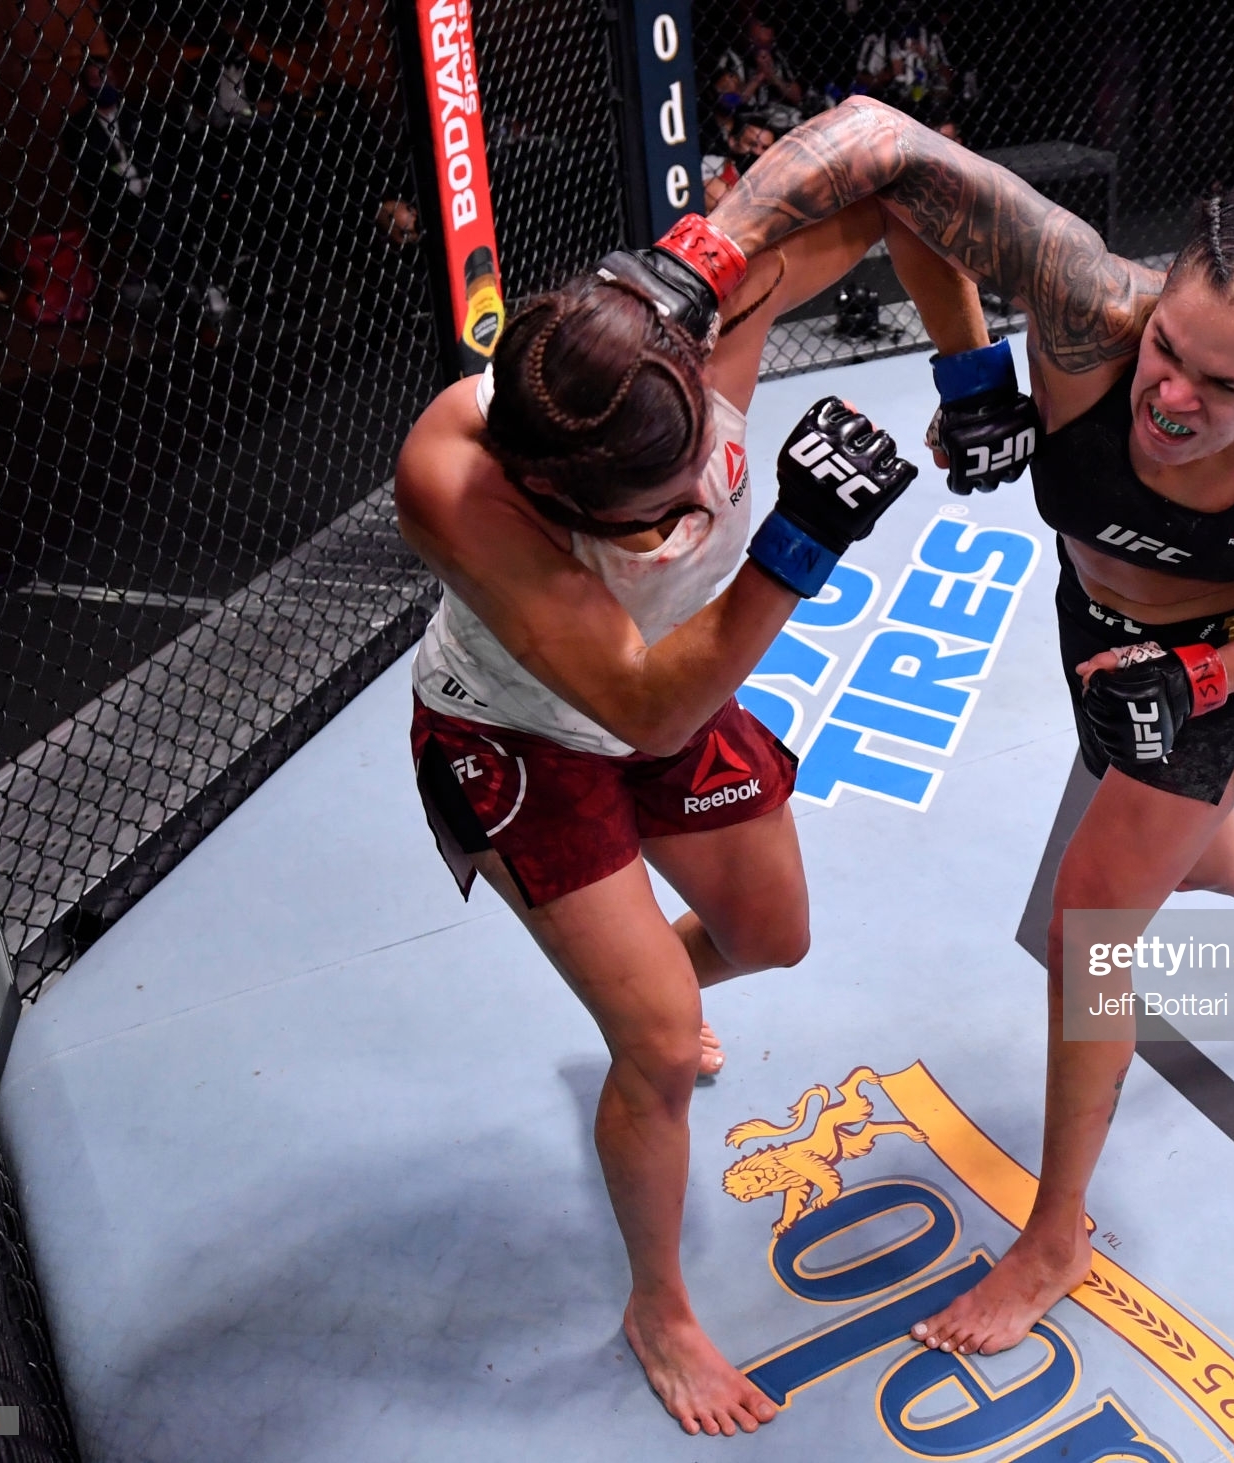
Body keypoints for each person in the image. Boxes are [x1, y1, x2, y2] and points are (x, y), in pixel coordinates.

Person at [711, 97, 1234, 1355]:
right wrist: (970, 372)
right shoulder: (1086, 306)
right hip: (1090, 624)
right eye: (1170, 352)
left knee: (1090, 921)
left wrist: (1200, 677)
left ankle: (1054, 1235)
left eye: (1225, 385)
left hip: (1220, 660)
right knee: (1188, 856)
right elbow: (889, 163)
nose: (1173, 397)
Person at [394, 204, 990, 1432]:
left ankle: (640, 995)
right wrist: (797, 540)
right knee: (663, 1049)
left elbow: (885, 181)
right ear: (554, 493)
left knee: (770, 935)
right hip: (523, 736)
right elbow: (645, 708)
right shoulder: (460, 483)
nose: (686, 522)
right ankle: (657, 1307)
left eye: (695, 490)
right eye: (652, 518)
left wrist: (973, 376)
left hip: (676, 682)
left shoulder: (697, 330)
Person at [62, 60, 230, 319]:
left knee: (177, 206)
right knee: (153, 223)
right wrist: (125, 179)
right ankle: (186, 298)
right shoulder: (77, 127)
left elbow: (165, 155)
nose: (104, 83)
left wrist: (144, 175)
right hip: (119, 203)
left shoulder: (143, 114)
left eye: (107, 76)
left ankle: (196, 289)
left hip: (157, 192)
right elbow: (90, 175)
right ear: (85, 86)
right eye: (96, 79)